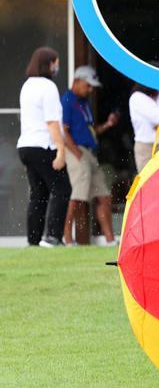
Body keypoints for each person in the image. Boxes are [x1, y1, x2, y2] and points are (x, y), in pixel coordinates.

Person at [17, 46, 71, 247]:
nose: (56, 67)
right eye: (55, 63)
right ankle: (53, 237)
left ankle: (34, 239)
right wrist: (61, 150)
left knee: (38, 193)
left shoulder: (27, 85)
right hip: (43, 145)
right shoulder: (48, 87)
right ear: (48, 64)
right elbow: (51, 121)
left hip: (26, 146)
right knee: (62, 189)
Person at [61, 66, 119, 245]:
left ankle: (109, 239)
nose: (91, 89)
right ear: (77, 81)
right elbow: (64, 131)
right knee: (78, 195)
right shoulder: (67, 101)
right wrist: (77, 153)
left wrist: (107, 125)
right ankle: (67, 237)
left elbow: (91, 130)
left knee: (104, 195)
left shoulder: (84, 102)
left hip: (90, 152)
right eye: (88, 85)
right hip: (77, 151)